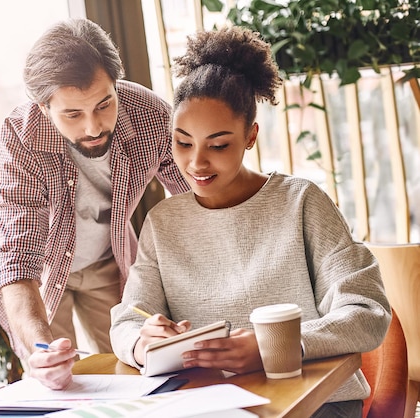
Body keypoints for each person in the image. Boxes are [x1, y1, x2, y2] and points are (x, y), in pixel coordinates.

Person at [110, 26, 391, 418]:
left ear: (251, 136)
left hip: (315, 402)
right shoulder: (164, 222)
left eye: (219, 144)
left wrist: (272, 345)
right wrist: (143, 341)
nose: (196, 163)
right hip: (208, 405)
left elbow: (367, 312)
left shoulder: (301, 203)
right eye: (183, 142)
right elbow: (127, 319)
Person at [0, 18, 189, 389]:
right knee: (55, 373)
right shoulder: (20, 136)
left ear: (116, 85)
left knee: (130, 367)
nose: (93, 127)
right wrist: (41, 352)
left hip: (107, 259)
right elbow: (17, 259)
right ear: (44, 108)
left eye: (103, 104)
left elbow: (195, 201)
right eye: (73, 114)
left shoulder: (150, 117)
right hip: (39, 270)